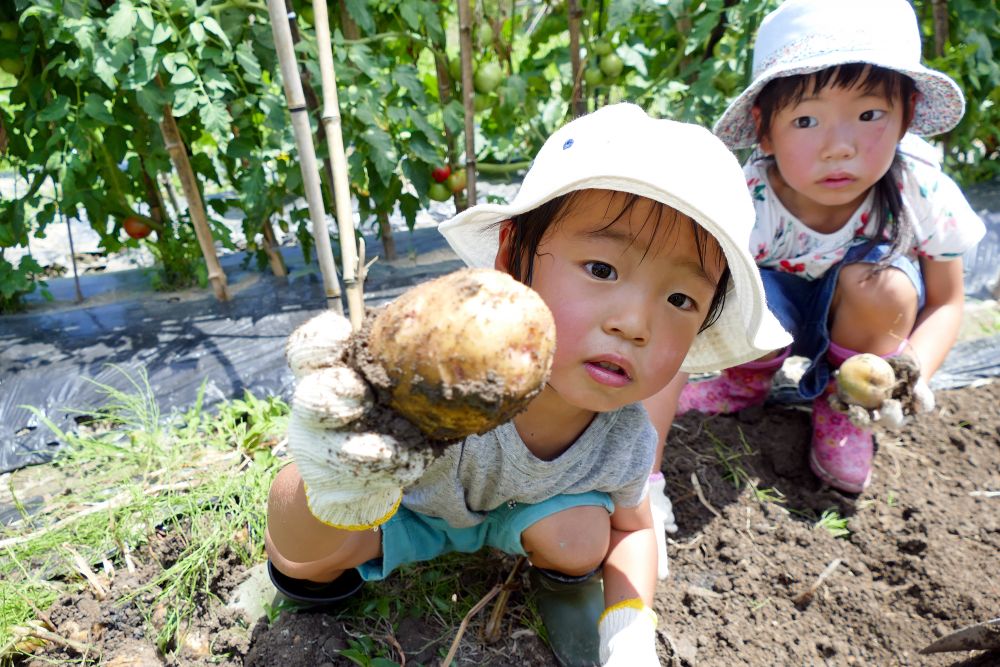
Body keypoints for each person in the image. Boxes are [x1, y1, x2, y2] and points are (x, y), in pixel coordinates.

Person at [264, 103, 790, 666]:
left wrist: (629, 628)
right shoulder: (448, 371)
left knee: (583, 537)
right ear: (515, 257)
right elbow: (311, 511)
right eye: (602, 270)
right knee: (311, 551)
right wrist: (331, 477)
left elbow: (635, 530)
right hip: (406, 510)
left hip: (525, 515)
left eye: (680, 300)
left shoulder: (624, 437)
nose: (634, 324)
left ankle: (562, 583)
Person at [656, 0, 986, 495]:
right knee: (734, 283)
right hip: (772, 321)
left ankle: (842, 410)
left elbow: (946, 300)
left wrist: (910, 370)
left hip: (864, 333)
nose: (839, 147)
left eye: (869, 114)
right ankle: (745, 382)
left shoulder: (920, 190)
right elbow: (684, 297)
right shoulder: (747, 199)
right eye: (807, 121)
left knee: (886, 286)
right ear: (764, 129)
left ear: (907, 116)